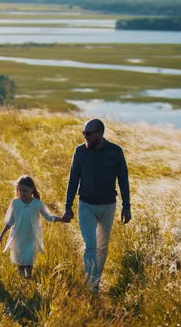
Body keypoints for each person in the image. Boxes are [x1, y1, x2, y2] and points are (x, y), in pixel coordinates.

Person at [61, 118, 131, 293]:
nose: (85, 137)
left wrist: (126, 206)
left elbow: (123, 180)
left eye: (88, 134)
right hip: (86, 205)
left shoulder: (115, 152)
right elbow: (73, 180)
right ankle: (91, 286)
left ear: (100, 133)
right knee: (90, 245)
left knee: (102, 247)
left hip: (108, 206)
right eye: (83, 133)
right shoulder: (80, 152)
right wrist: (68, 206)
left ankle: (95, 280)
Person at [0, 175, 62, 278]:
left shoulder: (37, 204)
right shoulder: (15, 203)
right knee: (20, 260)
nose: (22, 193)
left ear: (32, 189)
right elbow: (10, 221)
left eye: (25, 191)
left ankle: (29, 276)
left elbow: (48, 216)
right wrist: (1, 235)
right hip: (18, 236)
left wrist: (61, 219)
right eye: (20, 190)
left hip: (31, 237)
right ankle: (22, 278)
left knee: (29, 259)